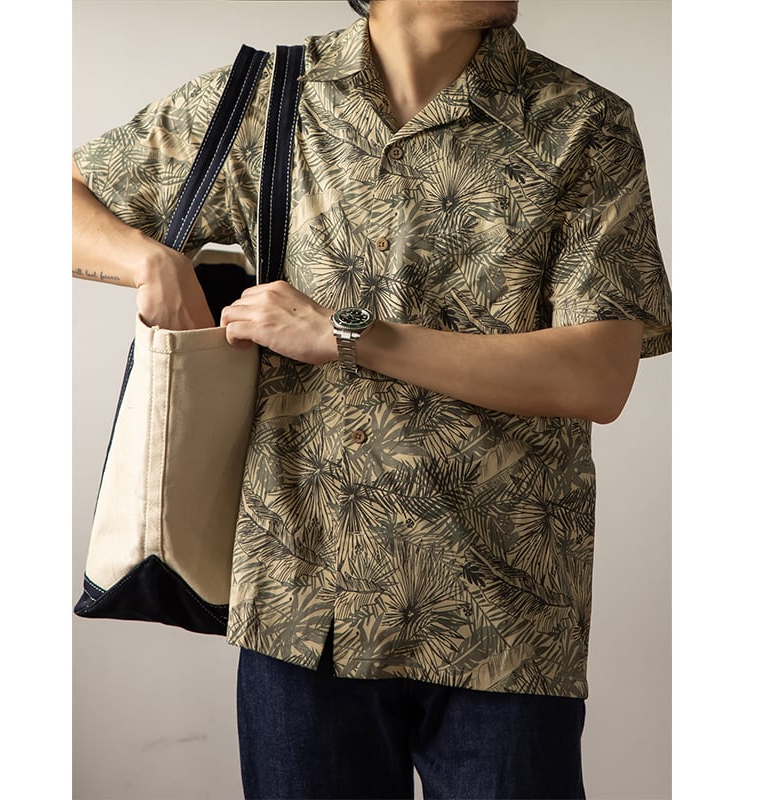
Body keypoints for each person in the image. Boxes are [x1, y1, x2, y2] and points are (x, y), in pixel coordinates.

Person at [72, 0, 672, 797]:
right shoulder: (268, 100)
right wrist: (153, 263)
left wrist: (348, 335)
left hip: (506, 619)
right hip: (301, 612)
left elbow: (597, 374)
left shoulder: (582, 124)